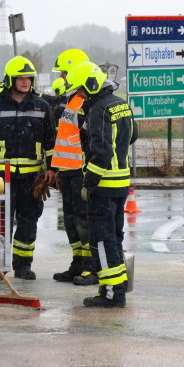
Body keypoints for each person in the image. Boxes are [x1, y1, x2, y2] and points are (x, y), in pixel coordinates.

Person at [65, 61, 137, 308]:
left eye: (81, 92)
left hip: (103, 186)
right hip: (121, 184)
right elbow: (133, 135)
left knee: (102, 242)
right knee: (114, 238)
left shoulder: (98, 110)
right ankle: (116, 289)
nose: (80, 97)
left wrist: (89, 183)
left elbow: (101, 152)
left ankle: (111, 294)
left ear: (91, 85)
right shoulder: (121, 104)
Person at [0, 55, 56, 281]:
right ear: (10, 79)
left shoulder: (42, 105)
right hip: (0, 177)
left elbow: (50, 142)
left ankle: (23, 265)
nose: (25, 81)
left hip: (31, 179)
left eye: (29, 78)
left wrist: (52, 169)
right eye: (20, 77)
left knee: (28, 222)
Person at [50, 49, 97, 286]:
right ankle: (78, 263)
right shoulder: (72, 100)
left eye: (65, 72)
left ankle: (91, 267)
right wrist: (56, 168)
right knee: (70, 221)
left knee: (83, 220)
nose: (62, 76)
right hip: (68, 171)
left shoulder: (88, 102)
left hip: (81, 171)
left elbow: (91, 140)